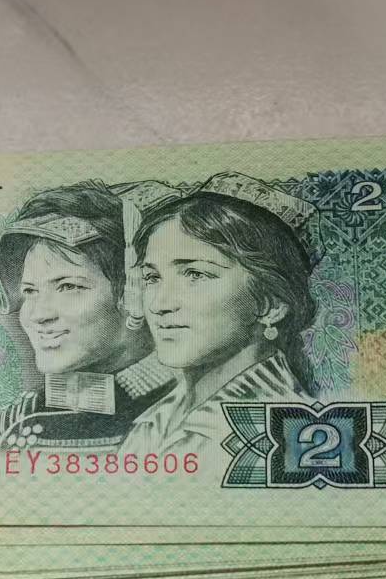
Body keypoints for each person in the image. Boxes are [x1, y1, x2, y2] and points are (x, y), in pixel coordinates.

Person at [0, 181, 174, 473]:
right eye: (30, 291)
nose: (39, 314)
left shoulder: (197, 414)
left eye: (68, 287)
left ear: (134, 292)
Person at [119, 171, 319, 455]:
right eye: (152, 278)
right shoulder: (154, 421)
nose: (158, 304)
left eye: (195, 274)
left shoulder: (288, 434)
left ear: (271, 304)